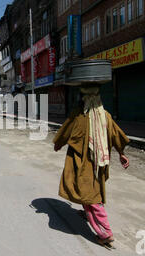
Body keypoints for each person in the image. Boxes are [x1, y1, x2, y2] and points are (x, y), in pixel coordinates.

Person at [53, 86, 130, 247]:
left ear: (83, 99)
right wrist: (121, 153)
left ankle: (105, 232)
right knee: (89, 191)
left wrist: (59, 144)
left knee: (92, 196)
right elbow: (116, 134)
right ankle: (88, 215)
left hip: (83, 164)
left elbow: (65, 131)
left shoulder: (78, 115)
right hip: (100, 162)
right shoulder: (106, 116)